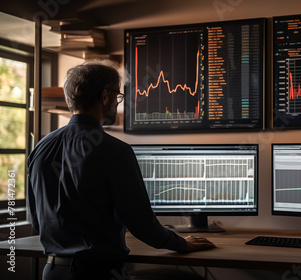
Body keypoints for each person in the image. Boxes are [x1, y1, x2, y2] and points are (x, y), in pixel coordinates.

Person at [27, 60, 215, 280]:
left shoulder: (41, 148)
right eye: (117, 96)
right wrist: (181, 243)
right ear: (105, 95)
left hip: (51, 272)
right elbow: (143, 225)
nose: (117, 103)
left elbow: (37, 221)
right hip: (97, 275)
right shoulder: (115, 151)